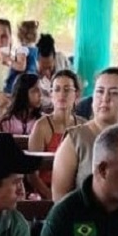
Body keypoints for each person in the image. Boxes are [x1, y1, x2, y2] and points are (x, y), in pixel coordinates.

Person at [51, 67, 118, 201]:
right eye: (100, 91)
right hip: (87, 218)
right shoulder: (76, 139)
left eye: (114, 93)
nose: (105, 98)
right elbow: (60, 199)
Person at [27, 69, 82, 200]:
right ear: (51, 94)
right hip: (47, 193)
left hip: (77, 194)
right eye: (57, 89)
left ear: (77, 94)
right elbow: (31, 174)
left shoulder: (83, 125)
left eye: (67, 89)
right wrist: (52, 197)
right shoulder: (41, 126)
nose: (62, 94)